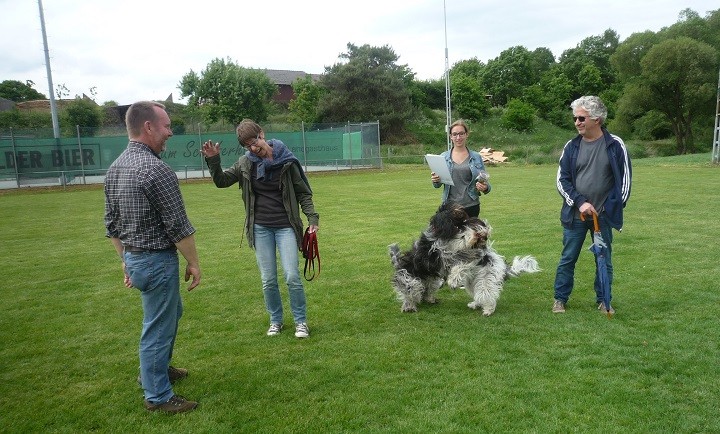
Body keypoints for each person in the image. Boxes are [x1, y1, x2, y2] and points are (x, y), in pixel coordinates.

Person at [104, 101, 202, 414]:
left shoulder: (115, 168)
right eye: (167, 126)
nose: (170, 133)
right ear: (149, 127)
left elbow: (111, 225)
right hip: (156, 261)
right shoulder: (156, 170)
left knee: (171, 313)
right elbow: (179, 226)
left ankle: (157, 369)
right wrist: (194, 263)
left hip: (136, 259)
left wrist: (125, 259)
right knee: (158, 327)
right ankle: (157, 396)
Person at [201, 119, 319, 338]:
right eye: (247, 146)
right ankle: (276, 321)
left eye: (254, 142)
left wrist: (312, 218)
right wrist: (213, 161)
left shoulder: (287, 160)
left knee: (292, 276)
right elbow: (222, 181)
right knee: (268, 279)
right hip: (260, 228)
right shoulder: (246, 163)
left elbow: (303, 192)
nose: (253, 148)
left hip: (286, 227)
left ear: (262, 134)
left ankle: (301, 322)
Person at [552, 96, 632, 314]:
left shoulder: (615, 144)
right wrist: (580, 203)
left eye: (581, 118)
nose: (576, 122)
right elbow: (562, 180)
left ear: (596, 119)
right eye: (575, 118)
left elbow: (624, 183)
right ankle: (560, 299)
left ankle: (604, 299)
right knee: (568, 258)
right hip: (575, 216)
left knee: (603, 260)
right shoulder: (571, 146)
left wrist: (609, 209)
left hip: (603, 216)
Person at [431, 119, 491, 218]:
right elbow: (437, 185)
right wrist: (435, 180)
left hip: (471, 206)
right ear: (450, 137)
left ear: (466, 134)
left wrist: (485, 188)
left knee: (469, 234)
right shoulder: (443, 157)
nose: (458, 137)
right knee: (450, 234)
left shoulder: (476, 157)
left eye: (461, 133)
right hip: (450, 207)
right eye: (454, 134)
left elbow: (485, 182)